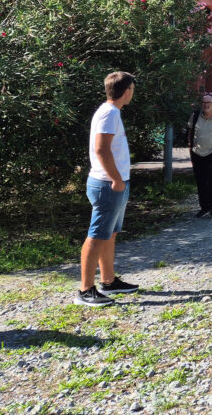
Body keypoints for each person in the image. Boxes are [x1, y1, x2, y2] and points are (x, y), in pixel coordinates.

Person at [75, 71, 139, 307]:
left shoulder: (111, 112)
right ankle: (85, 289)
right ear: (127, 91)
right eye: (132, 88)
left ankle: (109, 281)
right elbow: (102, 150)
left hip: (112, 182)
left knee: (109, 234)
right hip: (107, 183)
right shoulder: (110, 113)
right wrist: (116, 179)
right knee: (97, 234)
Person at [188, 94, 212, 218]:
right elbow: (190, 131)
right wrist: (190, 147)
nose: (206, 105)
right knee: (200, 181)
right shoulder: (195, 116)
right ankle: (203, 207)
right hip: (197, 153)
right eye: (204, 102)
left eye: (209, 103)